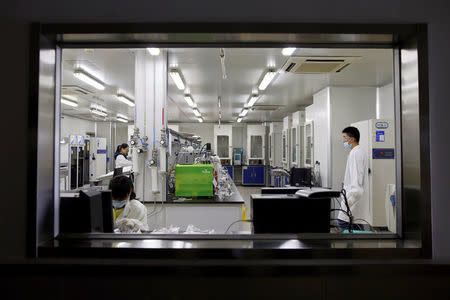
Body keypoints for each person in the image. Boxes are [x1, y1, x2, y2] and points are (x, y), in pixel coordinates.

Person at [337, 126, 369, 231]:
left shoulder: (356, 153)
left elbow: (356, 177)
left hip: (352, 199)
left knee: (343, 223)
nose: (344, 141)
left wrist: (349, 202)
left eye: (345, 138)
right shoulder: (358, 151)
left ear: (352, 138)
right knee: (356, 227)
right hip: (353, 199)